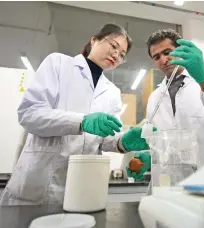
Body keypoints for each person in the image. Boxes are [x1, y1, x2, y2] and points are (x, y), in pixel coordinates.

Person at [0, 23, 150, 205]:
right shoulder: (58, 64)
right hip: (39, 185)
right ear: (94, 40)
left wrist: (122, 141)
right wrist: (81, 121)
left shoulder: (112, 91)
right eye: (113, 46)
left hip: (83, 188)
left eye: (122, 55)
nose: (116, 55)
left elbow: (106, 138)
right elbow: (30, 113)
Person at [127, 29, 204, 181]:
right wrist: (150, 156)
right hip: (175, 183)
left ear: (180, 51)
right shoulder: (155, 98)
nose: (163, 60)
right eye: (157, 57)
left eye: (167, 52)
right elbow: (162, 141)